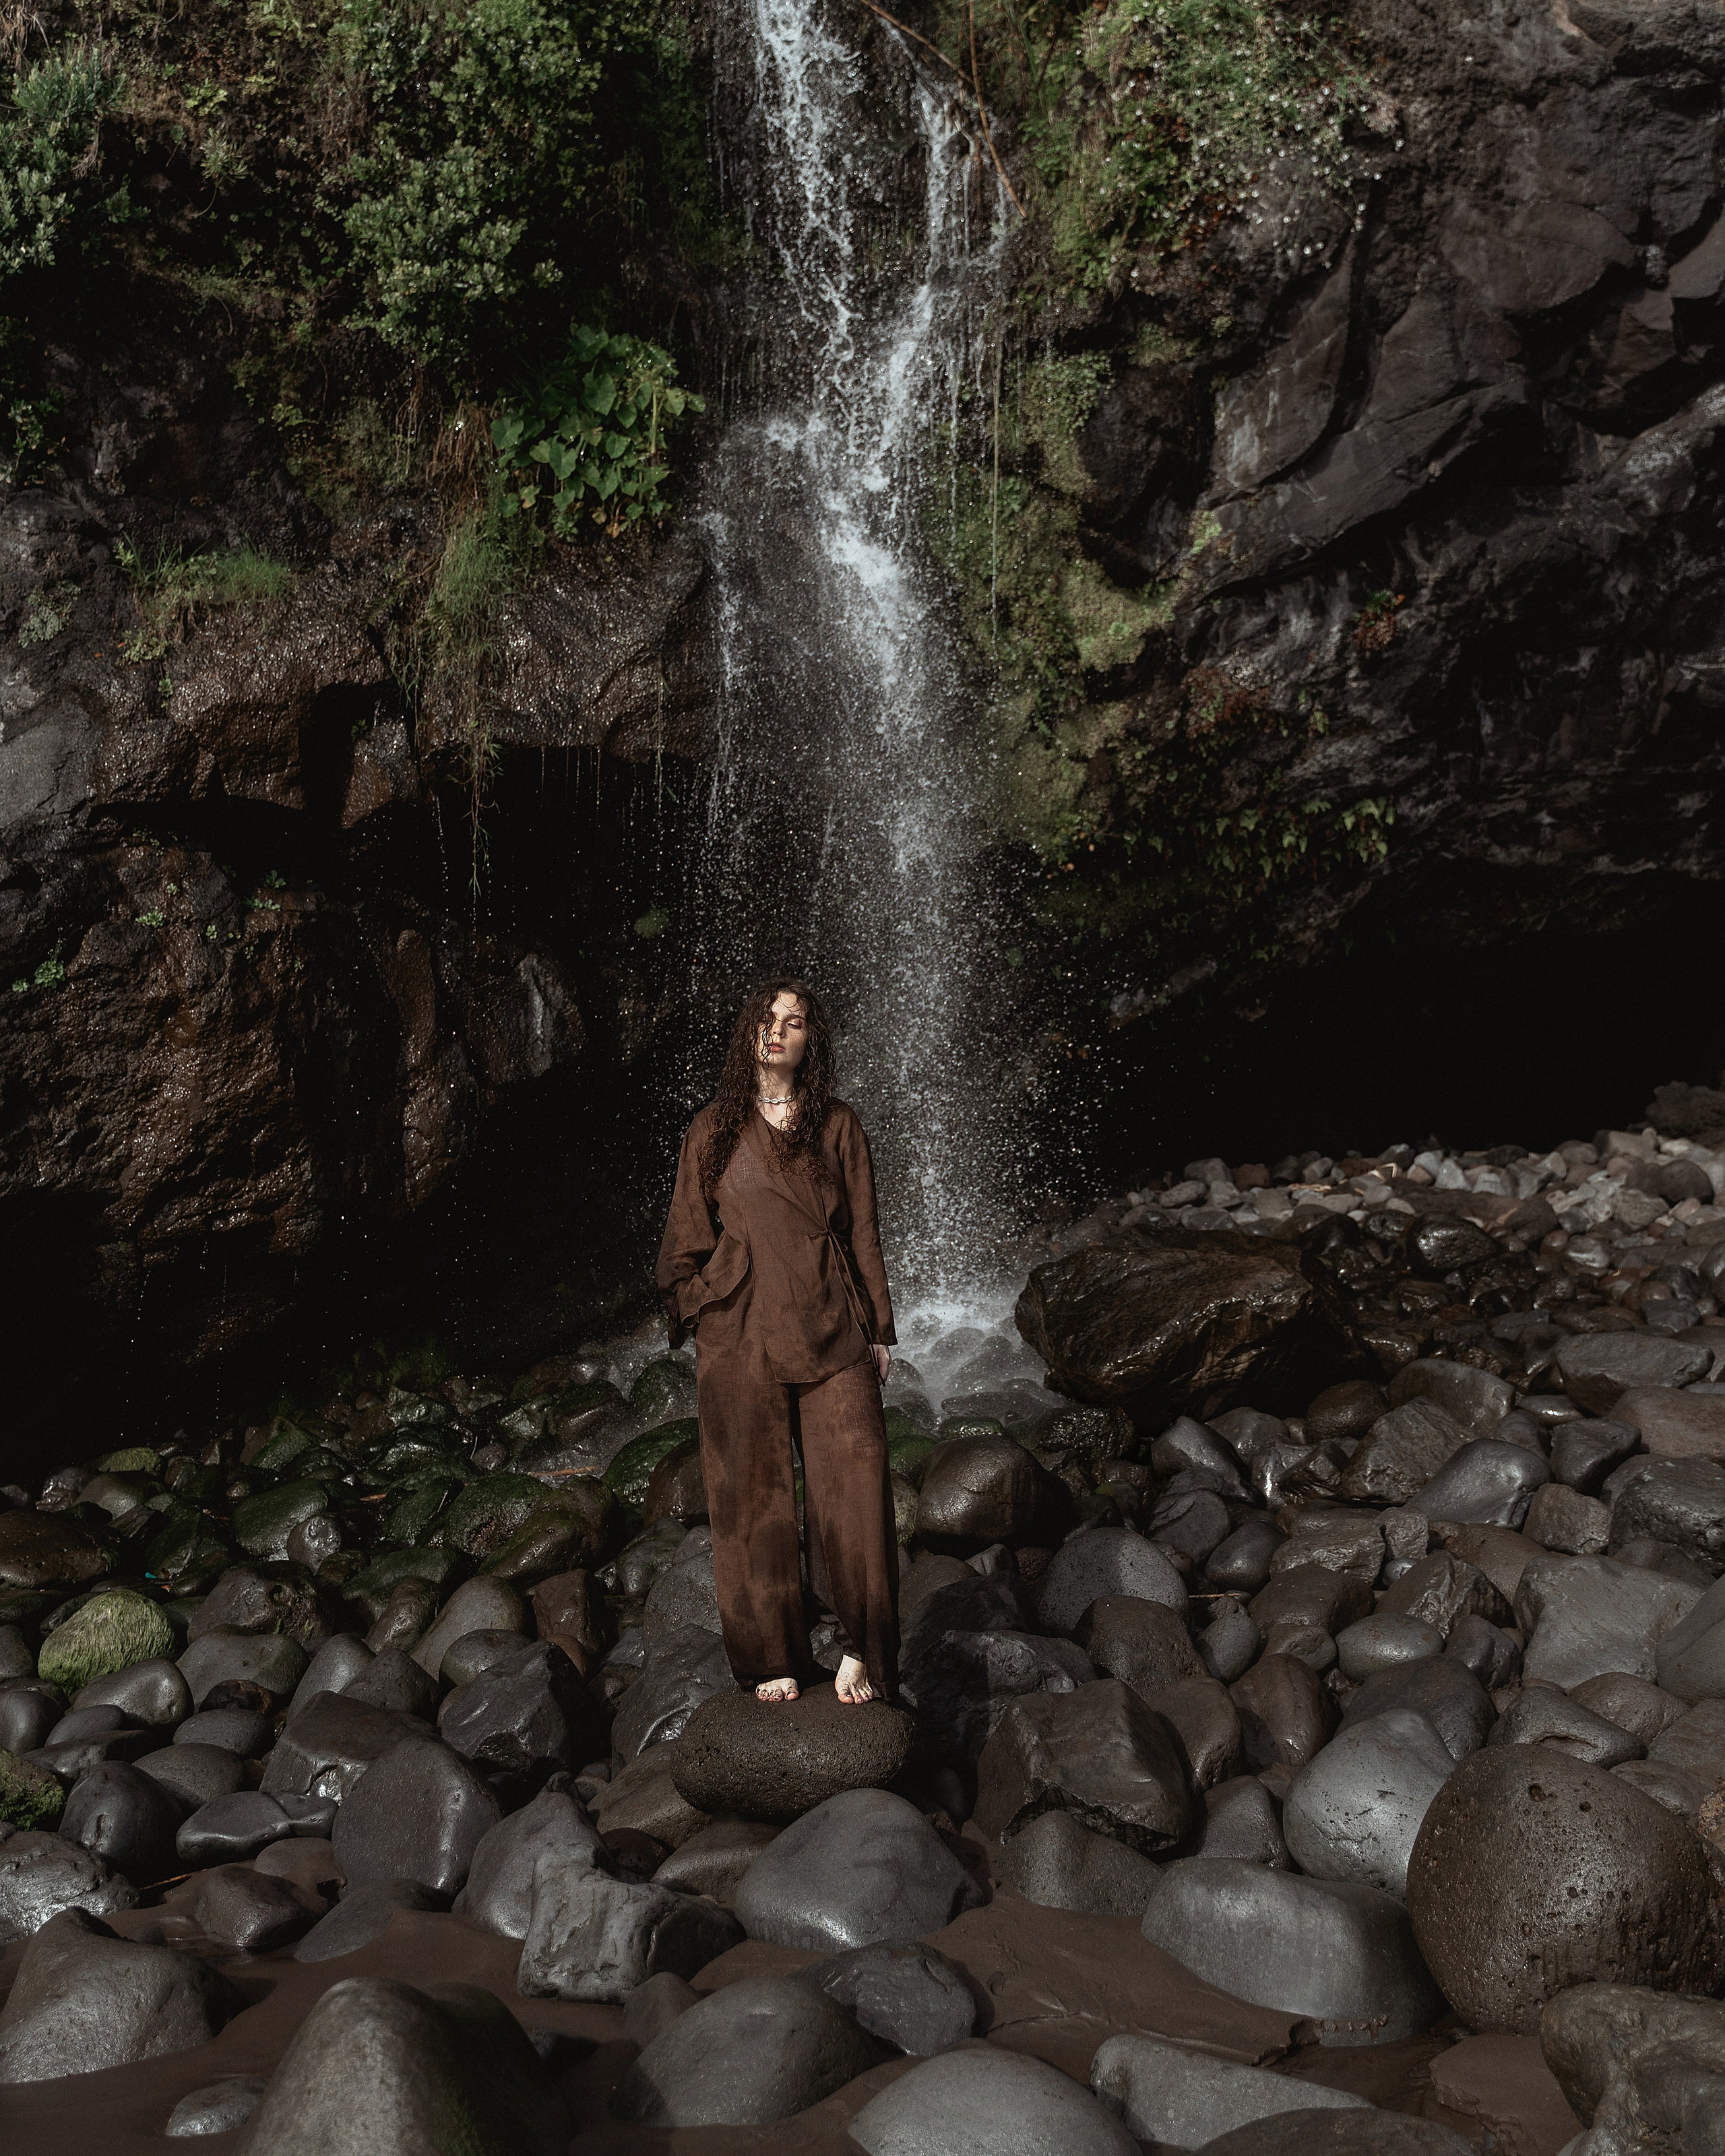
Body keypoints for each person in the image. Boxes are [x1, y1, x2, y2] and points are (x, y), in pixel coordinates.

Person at [655, 977, 899, 1707]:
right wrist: (702, 1306)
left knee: (857, 1480)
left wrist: (879, 1328)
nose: (776, 1031)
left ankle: (862, 1645)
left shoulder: (838, 1124)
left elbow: (864, 1233)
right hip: (742, 1331)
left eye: (793, 1023)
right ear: (747, 1035)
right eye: (766, 1019)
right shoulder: (713, 1128)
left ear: (809, 1041)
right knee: (749, 1495)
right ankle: (771, 1653)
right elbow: (682, 1243)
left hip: (831, 1322)